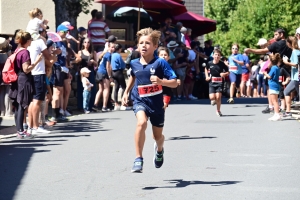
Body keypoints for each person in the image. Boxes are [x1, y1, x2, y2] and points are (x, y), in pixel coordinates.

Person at [121, 28, 178, 173]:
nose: (144, 46)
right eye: (141, 43)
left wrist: (161, 81)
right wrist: (126, 92)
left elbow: (175, 82)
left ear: (155, 46)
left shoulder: (160, 63)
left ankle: (159, 149)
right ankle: (138, 158)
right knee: (141, 122)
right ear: (137, 46)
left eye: (147, 43)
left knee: (157, 136)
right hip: (139, 100)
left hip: (156, 104)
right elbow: (133, 77)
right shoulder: (134, 63)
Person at [8, 31, 43, 138]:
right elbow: (26, 69)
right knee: (21, 106)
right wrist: (37, 61)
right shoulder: (25, 53)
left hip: (16, 79)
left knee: (17, 106)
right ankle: (20, 131)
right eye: (30, 40)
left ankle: (19, 130)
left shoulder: (17, 51)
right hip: (23, 80)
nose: (31, 41)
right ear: (27, 41)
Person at [50, 24, 70, 122]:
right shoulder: (55, 42)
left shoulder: (63, 43)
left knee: (60, 91)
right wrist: (54, 52)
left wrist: (67, 70)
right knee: (57, 91)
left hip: (63, 68)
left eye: (67, 32)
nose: (66, 33)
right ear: (59, 32)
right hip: (56, 67)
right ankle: (54, 114)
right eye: (64, 31)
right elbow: (51, 53)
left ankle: (58, 113)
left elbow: (65, 57)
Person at [205, 49, 229, 116]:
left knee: (218, 97)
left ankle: (218, 110)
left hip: (220, 82)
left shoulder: (222, 64)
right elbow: (206, 69)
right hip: (212, 82)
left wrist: (224, 74)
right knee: (212, 97)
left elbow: (228, 72)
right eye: (216, 55)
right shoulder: (209, 63)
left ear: (220, 56)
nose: (217, 56)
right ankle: (213, 100)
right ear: (213, 55)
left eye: (218, 55)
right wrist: (207, 76)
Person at [76, 38, 97, 112]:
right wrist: (79, 60)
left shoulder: (93, 52)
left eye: (88, 42)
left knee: (91, 89)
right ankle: (81, 106)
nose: (87, 44)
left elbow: (96, 64)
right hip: (82, 71)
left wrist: (93, 61)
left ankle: (90, 106)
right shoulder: (80, 52)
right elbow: (77, 62)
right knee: (82, 89)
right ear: (83, 44)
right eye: (85, 42)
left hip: (90, 71)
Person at [282, 36, 300, 118]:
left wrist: (286, 62)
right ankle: (288, 111)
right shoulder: (297, 51)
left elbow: (296, 64)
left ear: (289, 43)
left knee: (286, 91)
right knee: (287, 91)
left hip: (296, 77)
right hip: (295, 77)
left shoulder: (295, 52)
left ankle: (288, 111)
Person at [94, 42, 114, 111]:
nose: (113, 49)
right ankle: (104, 106)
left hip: (99, 72)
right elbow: (108, 66)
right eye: (111, 47)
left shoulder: (104, 54)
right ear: (108, 47)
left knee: (100, 89)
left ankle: (95, 104)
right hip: (104, 72)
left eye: (114, 47)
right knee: (106, 89)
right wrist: (110, 76)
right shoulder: (108, 54)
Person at [264, 53, 281, 121]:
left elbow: (269, 76)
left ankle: (277, 114)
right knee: (275, 101)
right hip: (275, 85)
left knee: (274, 101)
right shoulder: (277, 67)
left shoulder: (273, 68)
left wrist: (265, 73)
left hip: (273, 85)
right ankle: (276, 114)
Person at [111, 43, 126, 110]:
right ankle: (123, 103)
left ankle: (116, 103)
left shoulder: (112, 55)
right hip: (119, 72)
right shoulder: (118, 55)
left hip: (113, 72)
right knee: (124, 87)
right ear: (119, 49)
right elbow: (122, 64)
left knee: (116, 88)